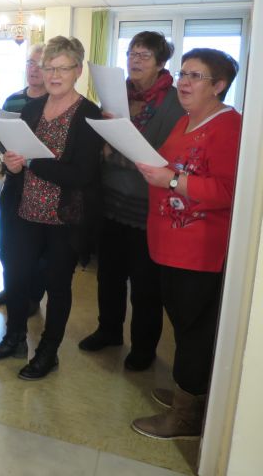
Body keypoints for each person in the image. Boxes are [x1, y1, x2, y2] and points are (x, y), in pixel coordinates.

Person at [132, 49, 241, 440]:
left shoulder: (229, 126)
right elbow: (168, 167)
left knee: (194, 331)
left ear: (220, 86)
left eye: (196, 76)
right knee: (182, 325)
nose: (184, 82)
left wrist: (172, 181)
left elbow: (228, 191)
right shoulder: (185, 120)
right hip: (169, 243)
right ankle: (189, 395)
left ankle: (186, 417)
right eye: (183, 73)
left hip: (198, 251)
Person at [0, 36, 102, 380]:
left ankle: (49, 351)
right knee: (16, 278)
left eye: (62, 68)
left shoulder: (89, 114)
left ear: (78, 70)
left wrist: (32, 162)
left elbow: (82, 175)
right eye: (48, 67)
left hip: (64, 219)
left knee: (57, 286)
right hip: (24, 212)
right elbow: (17, 157)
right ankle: (14, 338)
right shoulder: (32, 109)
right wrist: (14, 164)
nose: (54, 75)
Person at [78, 32, 184, 371]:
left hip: (147, 206)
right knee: (108, 275)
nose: (135, 60)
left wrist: (117, 149)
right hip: (110, 201)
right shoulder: (116, 94)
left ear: (161, 62)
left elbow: (166, 155)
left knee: (144, 285)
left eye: (144, 55)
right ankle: (109, 330)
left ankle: (143, 347)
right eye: (131, 53)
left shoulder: (174, 102)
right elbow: (102, 142)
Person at [0, 43, 47, 311]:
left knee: (36, 247)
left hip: (42, 184)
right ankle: (11, 289)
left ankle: (32, 297)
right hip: (13, 180)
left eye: (40, 64)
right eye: (30, 63)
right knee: (6, 241)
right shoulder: (13, 100)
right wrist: (8, 147)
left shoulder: (54, 103)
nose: (34, 69)